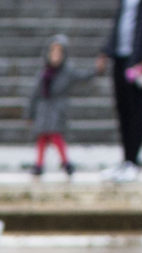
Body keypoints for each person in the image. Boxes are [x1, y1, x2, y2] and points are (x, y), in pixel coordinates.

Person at [97, 0, 142, 182]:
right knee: (122, 108)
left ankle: (133, 162)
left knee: (135, 108)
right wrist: (106, 50)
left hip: (139, 59)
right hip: (120, 56)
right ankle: (125, 160)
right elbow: (119, 20)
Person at [27, 33, 100, 178]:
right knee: (42, 138)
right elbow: (34, 95)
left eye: (59, 52)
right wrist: (30, 113)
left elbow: (82, 76)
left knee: (56, 137)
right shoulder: (44, 73)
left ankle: (65, 162)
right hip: (43, 110)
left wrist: (96, 70)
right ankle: (39, 164)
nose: (55, 55)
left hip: (56, 110)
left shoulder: (67, 72)